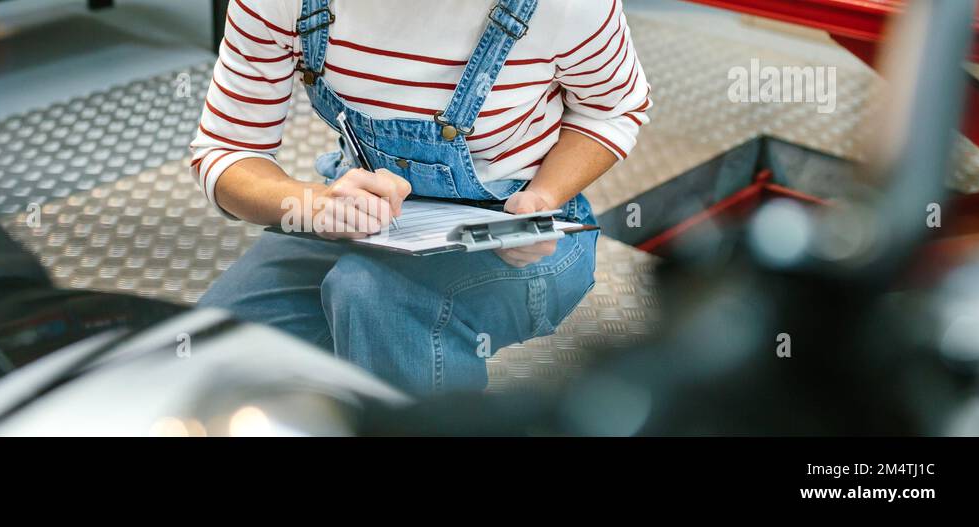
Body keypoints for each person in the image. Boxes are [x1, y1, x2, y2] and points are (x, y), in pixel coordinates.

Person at [190, 0, 651, 395]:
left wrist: (543, 196)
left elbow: (613, 107)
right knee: (205, 348)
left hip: (520, 230)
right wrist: (311, 204)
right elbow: (229, 149)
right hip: (358, 215)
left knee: (374, 297)